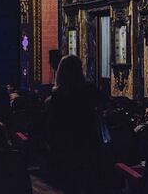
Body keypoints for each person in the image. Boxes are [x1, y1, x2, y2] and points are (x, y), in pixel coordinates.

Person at [45, 55, 100, 194]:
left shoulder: (56, 96)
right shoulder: (88, 89)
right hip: (88, 141)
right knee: (89, 182)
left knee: (70, 185)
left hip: (65, 145)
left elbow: (52, 125)